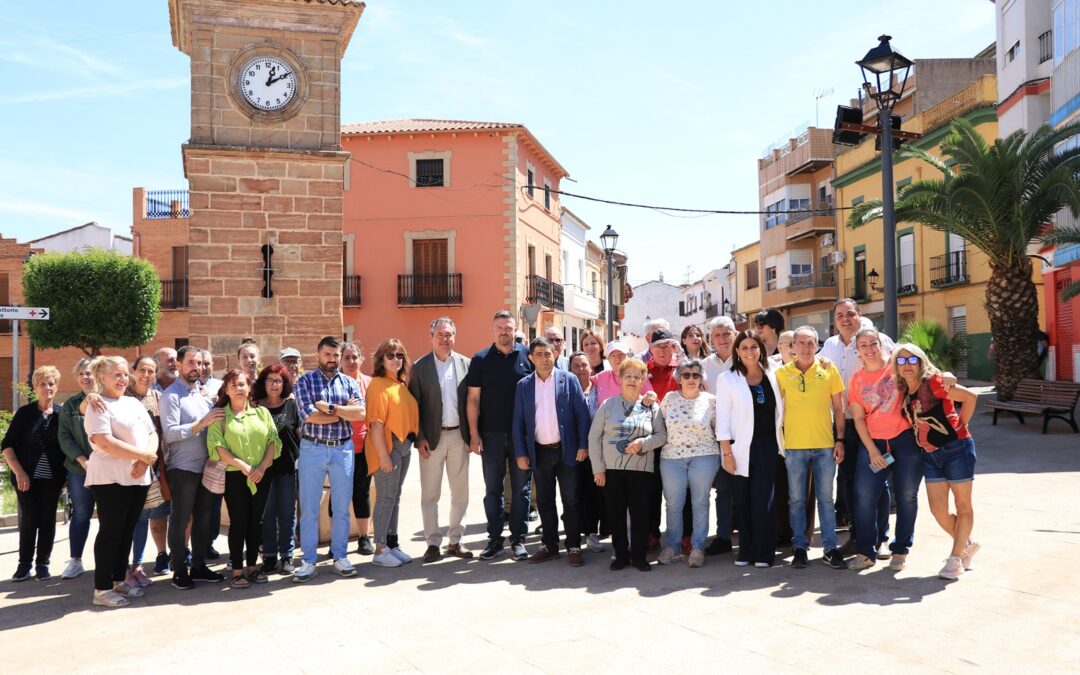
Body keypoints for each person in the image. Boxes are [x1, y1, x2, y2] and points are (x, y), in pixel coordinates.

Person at [895, 343, 980, 580]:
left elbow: (970, 397)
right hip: (929, 455)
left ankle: (955, 559)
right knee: (938, 511)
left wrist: (961, 427)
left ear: (921, 362)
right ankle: (966, 544)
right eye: (901, 361)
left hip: (956, 449)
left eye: (912, 360)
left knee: (963, 505)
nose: (907, 365)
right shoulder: (904, 391)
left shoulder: (934, 383)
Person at [819, 299, 896, 555]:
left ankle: (882, 537)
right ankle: (857, 536)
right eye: (840, 315)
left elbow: (905, 361)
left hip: (874, 424)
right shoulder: (829, 346)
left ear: (859, 315)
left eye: (850, 314)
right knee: (849, 481)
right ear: (835, 319)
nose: (845, 319)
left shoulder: (878, 340)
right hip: (842, 424)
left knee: (879, 479)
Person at [845, 328, 924, 572]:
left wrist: (949, 375)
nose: (869, 349)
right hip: (874, 444)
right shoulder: (857, 380)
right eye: (864, 346)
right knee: (864, 497)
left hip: (905, 441)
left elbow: (926, 373)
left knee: (907, 496)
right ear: (857, 352)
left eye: (873, 344)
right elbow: (858, 419)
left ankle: (900, 551)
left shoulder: (896, 366)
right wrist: (872, 450)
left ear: (881, 345)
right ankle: (866, 552)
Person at [83, 356, 158, 607]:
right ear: (101, 377)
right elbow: (103, 441)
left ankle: (118, 581)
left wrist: (146, 460)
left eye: (125, 374)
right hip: (110, 478)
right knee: (110, 532)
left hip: (138, 477)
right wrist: (142, 456)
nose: (123, 379)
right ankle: (102, 589)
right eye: (116, 374)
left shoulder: (133, 403)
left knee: (126, 531)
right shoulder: (97, 404)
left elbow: (151, 432)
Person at [293, 336, 366, 582]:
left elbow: (361, 413)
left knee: (342, 507)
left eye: (336, 355)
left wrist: (330, 408)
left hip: (342, 449)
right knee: (310, 507)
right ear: (318, 355)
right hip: (313, 448)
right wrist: (344, 412)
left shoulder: (348, 382)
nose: (332, 360)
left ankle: (340, 556)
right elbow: (308, 415)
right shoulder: (305, 381)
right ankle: (309, 561)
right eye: (327, 354)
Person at [513, 338, 591, 566]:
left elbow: (582, 415)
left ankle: (574, 546)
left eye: (548, 353)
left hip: (567, 451)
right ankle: (550, 545)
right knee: (545, 501)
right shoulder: (524, 385)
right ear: (531, 358)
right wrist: (520, 453)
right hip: (539, 453)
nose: (544, 358)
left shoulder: (569, 380)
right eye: (539, 354)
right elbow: (518, 421)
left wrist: (583, 445)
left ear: (555, 355)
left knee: (571, 500)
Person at [775, 326, 846, 570]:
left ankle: (830, 548)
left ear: (818, 345)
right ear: (792, 347)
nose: (806, 348)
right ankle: (800, 548)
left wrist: (840, 440)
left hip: (825, 446)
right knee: (796, 500)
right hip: (794, 448)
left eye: (811, 343)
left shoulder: (829, 369)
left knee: (826, 499)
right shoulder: (781, 373)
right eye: (801, 343)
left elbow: (838, 408)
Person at [467, 310, 534, 561]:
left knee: (521, 491)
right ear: (492, 330)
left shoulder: (528, 356)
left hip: (522, 437)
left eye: (508, 328)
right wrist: (474, 433)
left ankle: (518, 540)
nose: (504, 332)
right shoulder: (480, 359)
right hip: (491, 436)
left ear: (515, 330)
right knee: (492, 490)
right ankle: (494, 540)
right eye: (499, 328)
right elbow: (473, 398)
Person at [588, 358, 667, 571]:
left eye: (637, 376)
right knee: (616, 514)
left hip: (642, 469)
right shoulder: (608, 405)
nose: (632, 380)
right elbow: (594, 438)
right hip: (612, 471)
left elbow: (661, 435)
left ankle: (639, 555)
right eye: (628, 376)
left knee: (641, 513)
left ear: (643, 381)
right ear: (620, 379)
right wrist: (598, 468)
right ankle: (621, 555)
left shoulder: (651, 407)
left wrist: (644, 443)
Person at [715, 330, 785, 568]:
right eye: (744, 347)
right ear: (737, 351)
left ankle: (765, 552)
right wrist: (726, 453)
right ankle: (746, 551)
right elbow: (722, 419)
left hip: (767, 445)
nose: (749, 352)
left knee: (763, 500)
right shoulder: (727, 378)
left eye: (754, 347)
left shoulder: (774, 373)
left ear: (761, 350)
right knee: (742, 500)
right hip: (738, 447)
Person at [207, 368, 280, 588]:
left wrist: (262, 467)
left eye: (242, 384)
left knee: (255, 522)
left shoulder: (262, 413)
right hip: (235, 477)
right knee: (238, 523)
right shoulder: (220, 416)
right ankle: (237, 570)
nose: (239, 389)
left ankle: (252, 567)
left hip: (261, 475)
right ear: (226, 390)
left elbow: (273, 442)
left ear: (249, 388)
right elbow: (217, 447)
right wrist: (244, 466)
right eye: (233, 385)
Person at [408, 318, 473, 563]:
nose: (445, 339)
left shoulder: (466, 364)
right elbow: (415, 405)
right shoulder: (420, 366)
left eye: (449, 335)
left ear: (455, 336)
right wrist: (420, 437)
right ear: (431, 337)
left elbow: (473, 401)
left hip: (459, 436)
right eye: (440, 335)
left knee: (460, 493)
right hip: (431, 439)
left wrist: (472, 436)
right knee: (430, 494)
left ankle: (455, 541)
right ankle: (433, 543)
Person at [161, 346, 225, 589]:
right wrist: (201, 423)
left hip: (206, 467)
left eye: (199, 363)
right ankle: (178, 569)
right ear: (178, 364)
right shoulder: (171, 395)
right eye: (191, 362)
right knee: (180, 518)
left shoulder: (203, 395)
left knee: (203, 518)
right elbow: (170, 433)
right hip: (182, 467)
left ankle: (198, 566)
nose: (196, 368)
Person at [3, 366, 64, 582]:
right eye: (42, 384)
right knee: (30, 519)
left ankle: (43, 564)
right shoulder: (25, 414)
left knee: (47, 520)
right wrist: (19, 472)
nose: (47, 388)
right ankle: (24, 564)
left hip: (52, 479)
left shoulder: (60, 414)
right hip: (25, 478)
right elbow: (7, 446)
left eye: (51, 384)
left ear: (56, 387)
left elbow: (66, 446)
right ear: (35, 387)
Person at [657, 358, 719, 569]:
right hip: (672, 458)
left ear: (701, 379)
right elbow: (659, 425)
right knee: (673, 504)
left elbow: (718, 429)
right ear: (679, 379)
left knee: (700, 502)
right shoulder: (669, 398)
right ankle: (673, 547)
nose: (691, 379)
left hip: (704, 456)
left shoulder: (711, 400)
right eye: (686, 375)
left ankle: (697, 547)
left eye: (696, 375)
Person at [364, 339, 419, 568]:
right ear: (381, 360)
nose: (395, 359)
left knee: (394, 497)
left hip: (404, 447)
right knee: (386, 498)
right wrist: (384, 456)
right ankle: (379, 549)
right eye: (390, 355)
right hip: (389, 447)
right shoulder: (378, 385)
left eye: (399, 355)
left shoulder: (400, 383)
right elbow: (375, 425)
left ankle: (391, 544)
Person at [126, 355, 170, 587]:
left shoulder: (158, 397)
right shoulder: (122, 397)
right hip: (127, 466)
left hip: (152, 466)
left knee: (144, 517)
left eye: (151, 371)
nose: (146, 375)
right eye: (142, 370)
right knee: (127, 519)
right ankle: (122, 568)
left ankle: (138, 565)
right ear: (133, 371)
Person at [253, 364, 301, 574]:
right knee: (267, 514)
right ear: (264, 383)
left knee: (287, 513)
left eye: (279, 380)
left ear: (285, 384)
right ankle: (269, 557)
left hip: (288, 468)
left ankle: (287, 556)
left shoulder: (292, 406)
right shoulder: (255, 407)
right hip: (263, 469)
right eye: (270, 380)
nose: (274, 384)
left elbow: (299, 434)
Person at [57, 358, 96, 580]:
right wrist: (82, 460)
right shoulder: (70, 406)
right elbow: (64, 437)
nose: (85, 377)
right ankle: (75, 560)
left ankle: (114, 562)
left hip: (109, 469)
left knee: (113, 517)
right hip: (79, 469)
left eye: (89, 372)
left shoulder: (110, 400)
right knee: (81, 514)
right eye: (81, 373)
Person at [645, 328, 680, 549]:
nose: (662, 350)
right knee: (651, 490)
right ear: (650, 348)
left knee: (678, 492)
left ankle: (683, 536)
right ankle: (652, 533)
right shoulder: (643, 370)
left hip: (678, 439)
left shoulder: (682, 369)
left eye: (667, 345)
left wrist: (682, 356)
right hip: (652, 438)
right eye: (658, 346)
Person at [340, 341, 374, 555]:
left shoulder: (370, 383)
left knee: (362, 493)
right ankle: (338, 541)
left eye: (355, 357)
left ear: (361, 359)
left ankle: (364, 538)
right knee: (339, 495)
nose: (351, 361)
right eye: (347, 358)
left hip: (364, 447)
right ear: (340, 361)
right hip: (340, 447)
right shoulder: (334, 384)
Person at [570, 351, 606, 551]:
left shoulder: (600, 389)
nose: (581, 369)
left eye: (584, 365)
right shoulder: (567, 390)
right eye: (576, 366)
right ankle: (574, 533)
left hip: (599, 450)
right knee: (574, 493)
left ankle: (592, 533)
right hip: (575, 449)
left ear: (591, 368)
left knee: (594, 494)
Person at [592, 340, 631, 405]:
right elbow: (585, 382)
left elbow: (650, 395)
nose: (618, 358)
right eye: (613, 355)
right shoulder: (602, 376)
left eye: (621, 354)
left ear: (627, 356)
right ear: (608, 358)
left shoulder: (637, 376)